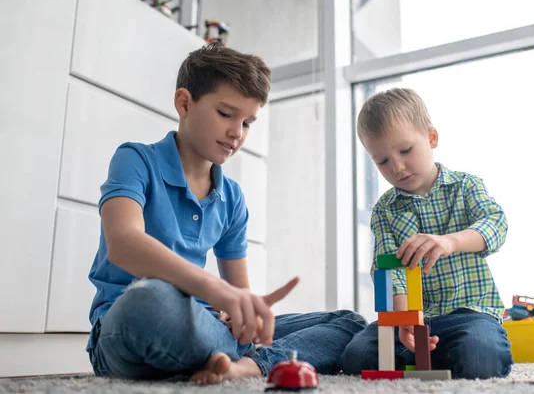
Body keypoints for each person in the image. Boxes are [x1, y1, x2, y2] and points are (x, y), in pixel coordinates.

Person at [86, 43, 367, 385]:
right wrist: (217, 293)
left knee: (349, 323)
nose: (237, 132)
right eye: (226, 114)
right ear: (184, 103)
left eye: (247, 122)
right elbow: (124, 244)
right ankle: (245, 358)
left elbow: (238, 302)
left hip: (210, 328)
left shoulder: (232, 197)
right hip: (130, 324)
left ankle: (244, 367)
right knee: (149, 299)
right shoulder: (135, 160)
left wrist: (247, 314)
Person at [339, 88, 513, 379]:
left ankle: (446, 355)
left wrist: (450, 242)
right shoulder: (385, 209)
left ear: (431, 138)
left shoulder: (466, 186)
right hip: (409, 319)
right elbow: (386, 269)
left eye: (405, 150)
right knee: (357, 357)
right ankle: (434, 357)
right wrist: (406, 320)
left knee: (481, 358)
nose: (397, 166)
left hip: (468, 314)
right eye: (382, 161)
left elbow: (496, 224)